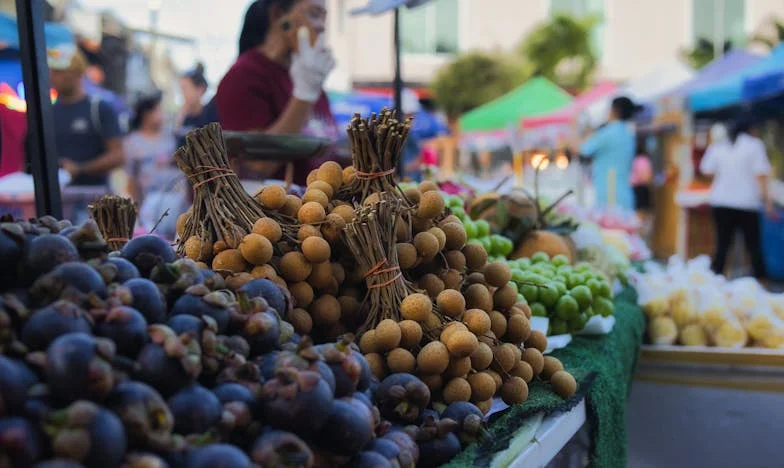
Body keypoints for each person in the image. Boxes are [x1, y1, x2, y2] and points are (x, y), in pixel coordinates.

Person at [215, 0, 337, 185]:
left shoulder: (307, 76)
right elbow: (257, 164)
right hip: (274, 202)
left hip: (319, 199)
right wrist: (304, 95)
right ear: (279, 16)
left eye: (324, 18)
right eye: (314, 14)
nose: (321, 26)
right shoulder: (244, 75)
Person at [700, 118, 774, 279]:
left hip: (721, 201)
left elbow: (707, 171)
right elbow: (761, 175)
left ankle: (716, 280)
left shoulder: (718, 146)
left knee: (722, 244)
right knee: (753, 245)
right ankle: (761, 281)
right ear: (750, 129)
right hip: (747, 203)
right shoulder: (754, 145)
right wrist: (768, 202)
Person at [49, 44, 124, 188]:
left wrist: (80, 169)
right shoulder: (48, 112)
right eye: (52, 71)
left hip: (92, 194)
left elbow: (118, 156)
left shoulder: (99, 108)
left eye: (60, 71)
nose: (53, 77)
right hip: (56, 195)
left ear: (78, 73)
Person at [124, 94, 184, 239]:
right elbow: (132, 180)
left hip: (177, 199)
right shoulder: (133, 142)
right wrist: (137, 209)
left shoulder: (171, 136)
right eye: (158, 110)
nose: (162, 114)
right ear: (146, 115)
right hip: (150, 204)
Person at [578, 96, 639, 212]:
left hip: (610, 195)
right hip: (624, 194)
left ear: (613, 110)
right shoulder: (627, 133)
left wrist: (572, 125)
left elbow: (582, 149)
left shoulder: (609, 132)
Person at [175, 63, 218, 148]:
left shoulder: (210, 114)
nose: (183, 94)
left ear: (200, 89)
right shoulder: (185, 117)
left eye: (185, 88)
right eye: (181, 89)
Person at [630, 139, 653, 232]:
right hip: (640, 190)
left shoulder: (629, 159)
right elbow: (646, 178)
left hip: (633, 189)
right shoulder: (642, 159)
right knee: (640, 219)